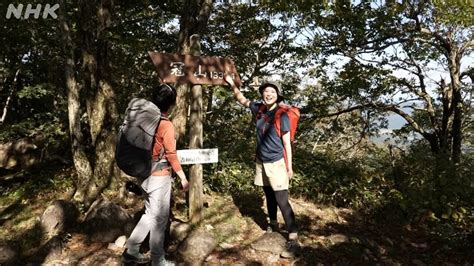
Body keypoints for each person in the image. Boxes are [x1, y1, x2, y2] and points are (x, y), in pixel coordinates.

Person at [224, 75, 300, 258]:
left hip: (277, 162)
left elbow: (287, 143)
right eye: (266, 91)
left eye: (272, 92)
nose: (268, 94)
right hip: (262, 161)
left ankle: (293, 237)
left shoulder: (281, 115)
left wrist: (289, 167)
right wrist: (232, 84)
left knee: (282, 199)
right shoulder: (259, 109)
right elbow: (242, 100)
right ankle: (273, 225)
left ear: (278, 95)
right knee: (268, 195)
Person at [122, 83, 189, 266]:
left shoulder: (143, 120)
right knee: (159, 220)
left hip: (142, 172)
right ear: (171, 104)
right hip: (159, 175)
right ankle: (158, 260)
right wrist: (183, 177)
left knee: (150, 214)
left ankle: (132, 250)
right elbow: (171, 154)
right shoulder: (166, 124)